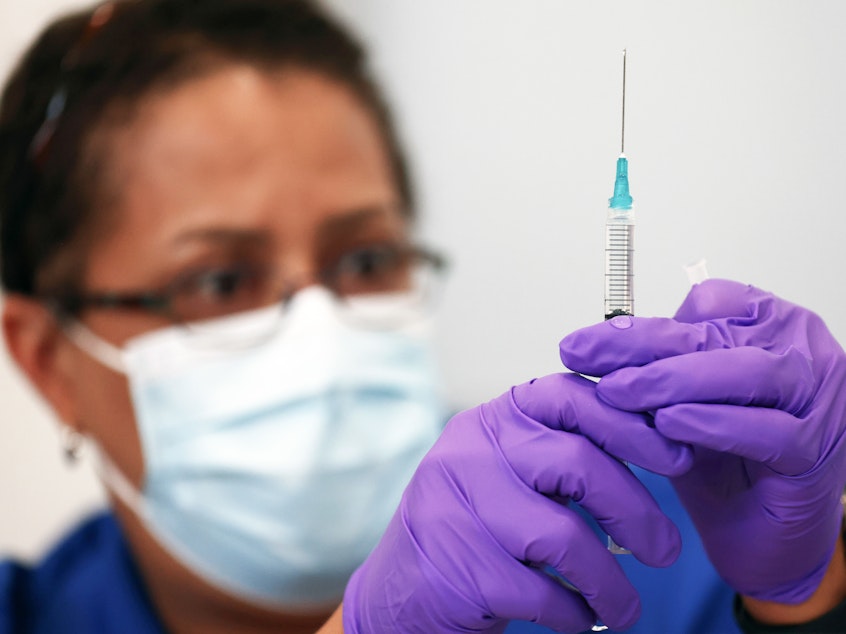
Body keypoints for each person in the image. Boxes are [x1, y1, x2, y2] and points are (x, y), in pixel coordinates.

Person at [0, 1, 845, 633]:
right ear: (43, 360)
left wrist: (806, 601)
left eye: (366, 261)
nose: (320, 329)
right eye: (218, 281)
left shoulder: (646, 553)